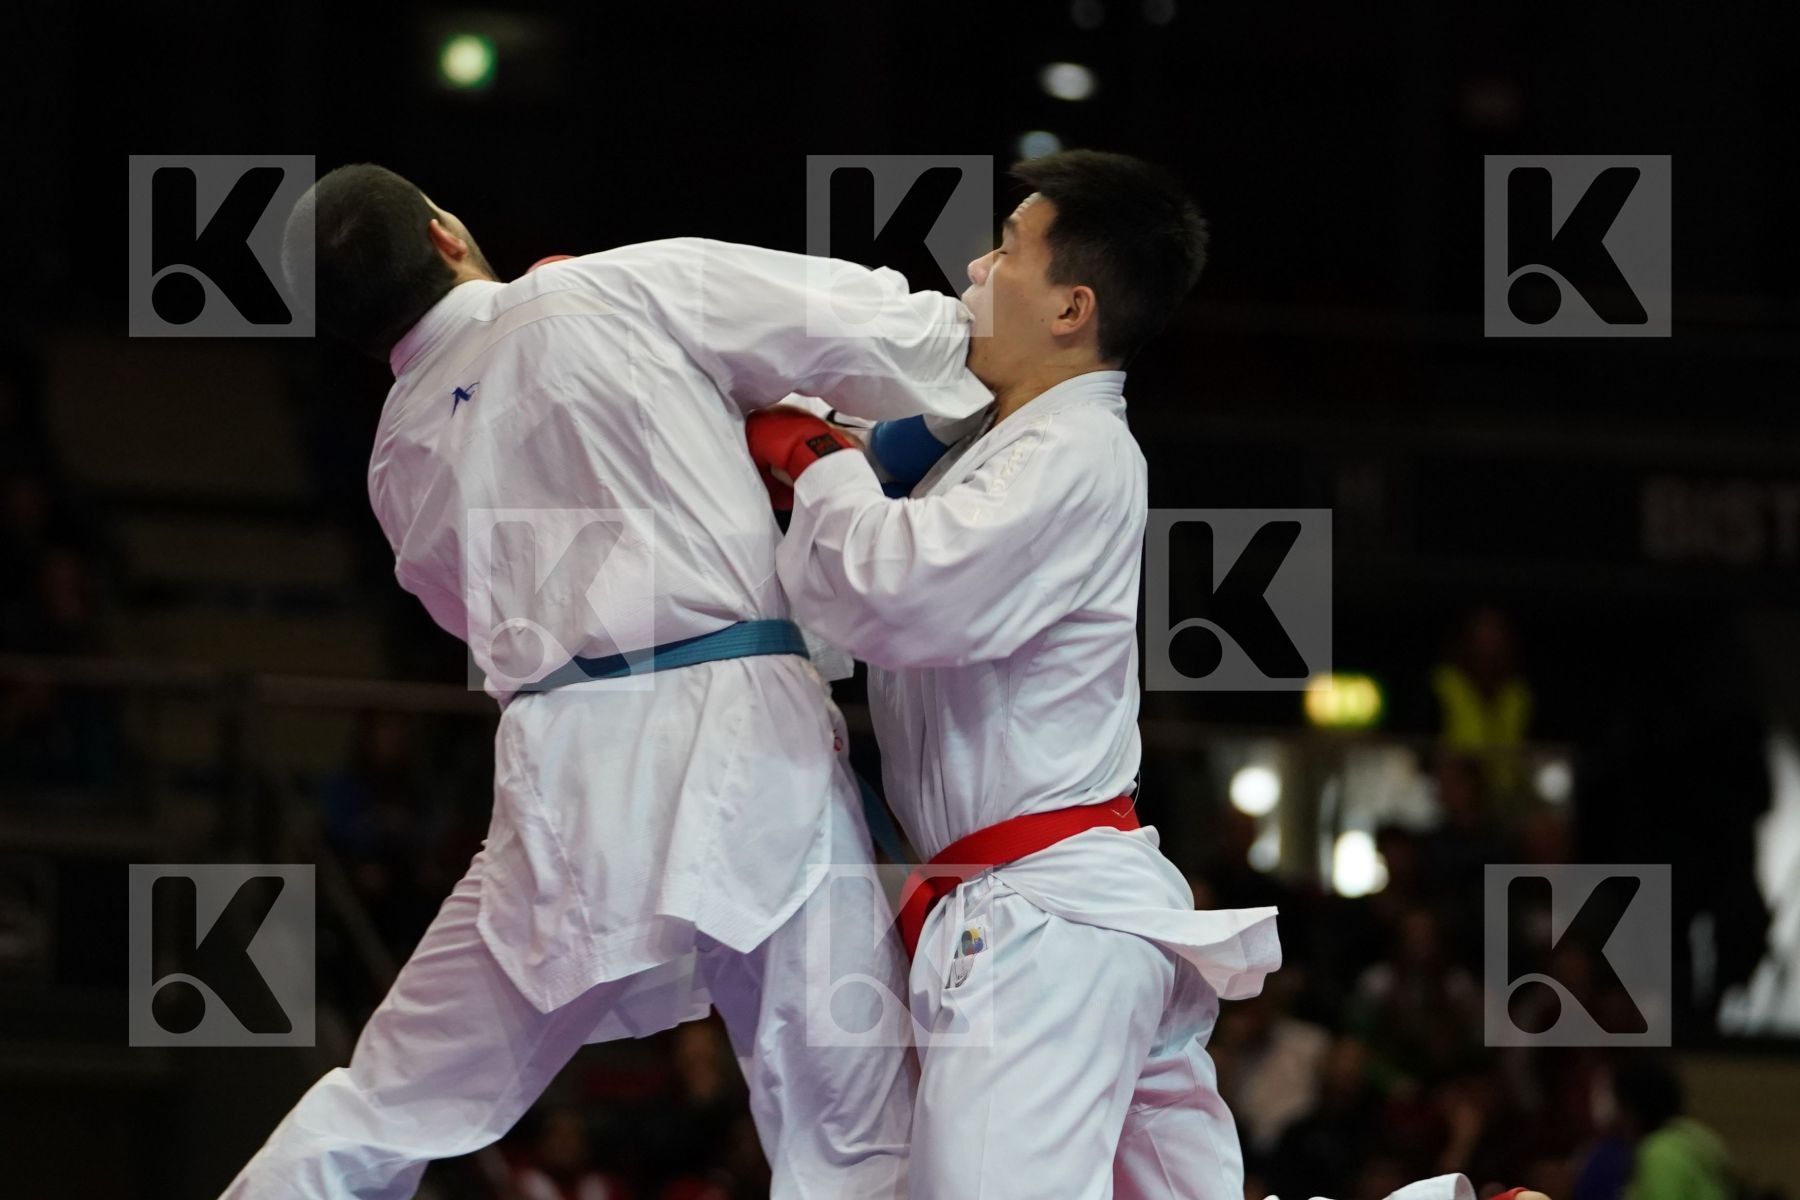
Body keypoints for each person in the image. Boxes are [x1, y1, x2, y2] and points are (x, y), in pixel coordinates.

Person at [748, 150, 1548, 1200]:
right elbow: (854, 560)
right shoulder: (995, 449)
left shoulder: (1073, 456)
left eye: (1006, 250)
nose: (975, 271)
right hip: (1063, 913)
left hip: (1048, 929)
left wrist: (819, 460)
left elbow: (895, 595)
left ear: (1073, 305)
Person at [222, 162, 991, 1200]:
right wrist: (996, 331)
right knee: (846, 1133)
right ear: (447, 233)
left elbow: (473, 618)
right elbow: (883, 332)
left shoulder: (396, 458)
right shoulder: (612, 288)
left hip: (561, 774)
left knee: (387, 1102)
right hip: (742, 740)